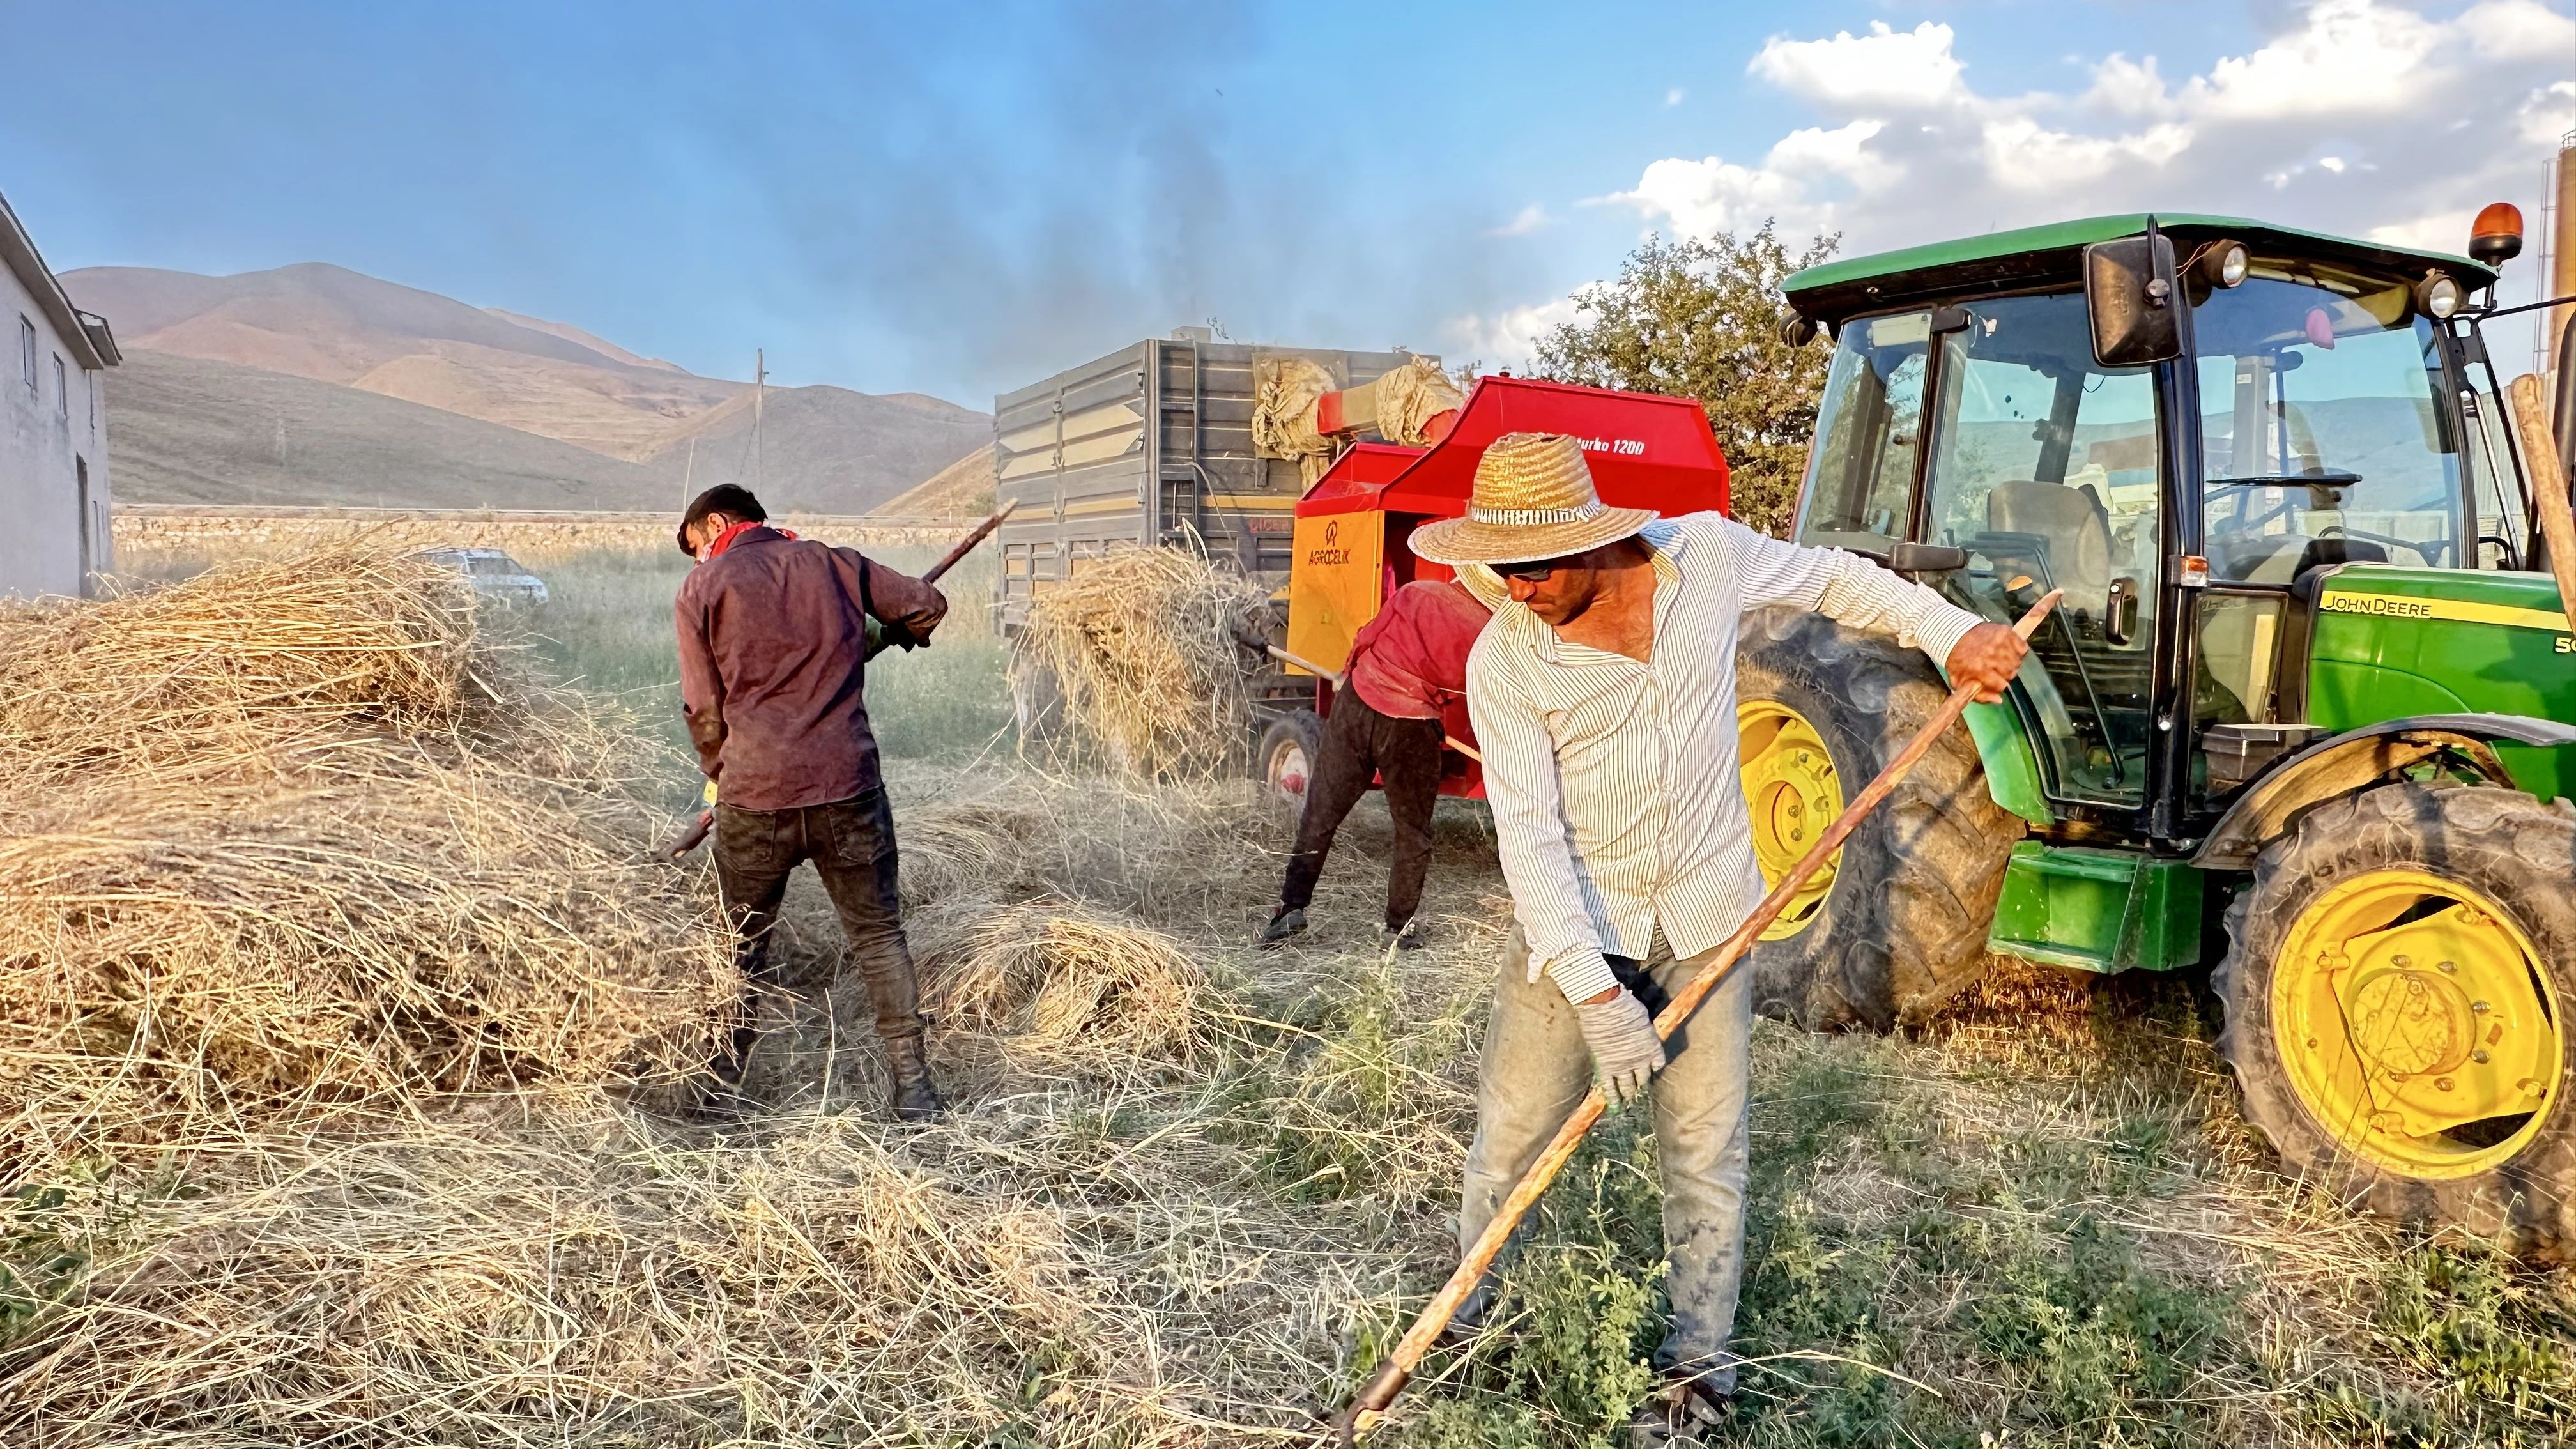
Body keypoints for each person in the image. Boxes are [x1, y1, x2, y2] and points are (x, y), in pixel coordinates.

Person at [1409, 433, 2027, 1441]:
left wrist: (1951, 631)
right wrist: (1599, 996)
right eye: (1497, 568)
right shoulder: (1505, 661)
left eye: (1534, 567)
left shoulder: (1703, 558)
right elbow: (1527, 838)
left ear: (1593, 540)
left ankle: (1698, 1373)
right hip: (1578, 936)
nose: (1512, 588)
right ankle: (1470, 1328)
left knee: (1704, 1153)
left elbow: (1835, 581)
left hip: (1705, 925)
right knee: (1512, 1144)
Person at [672, 483, 951, 1121]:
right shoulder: (837, 563)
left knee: (739, 945)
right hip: (847, 786)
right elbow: (927, 605)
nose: (700, 561)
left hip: (755, 795)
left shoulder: (702, 590)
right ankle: (915, 1093)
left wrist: (721, 773)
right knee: (879, 938)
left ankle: (718, 1094)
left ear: (718, 523)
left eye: (698, 547)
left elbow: (704, 710)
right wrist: (888, 632)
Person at [1259, 572, 1494, 951]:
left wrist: (1350, 673)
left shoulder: (1416, 593)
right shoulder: (1488, 630)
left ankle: (1290, 910)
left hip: (1358, 702)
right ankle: (1397, 929)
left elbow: (1366, 637)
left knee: (1319, 817)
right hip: (1412, 726)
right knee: (1412, 833)